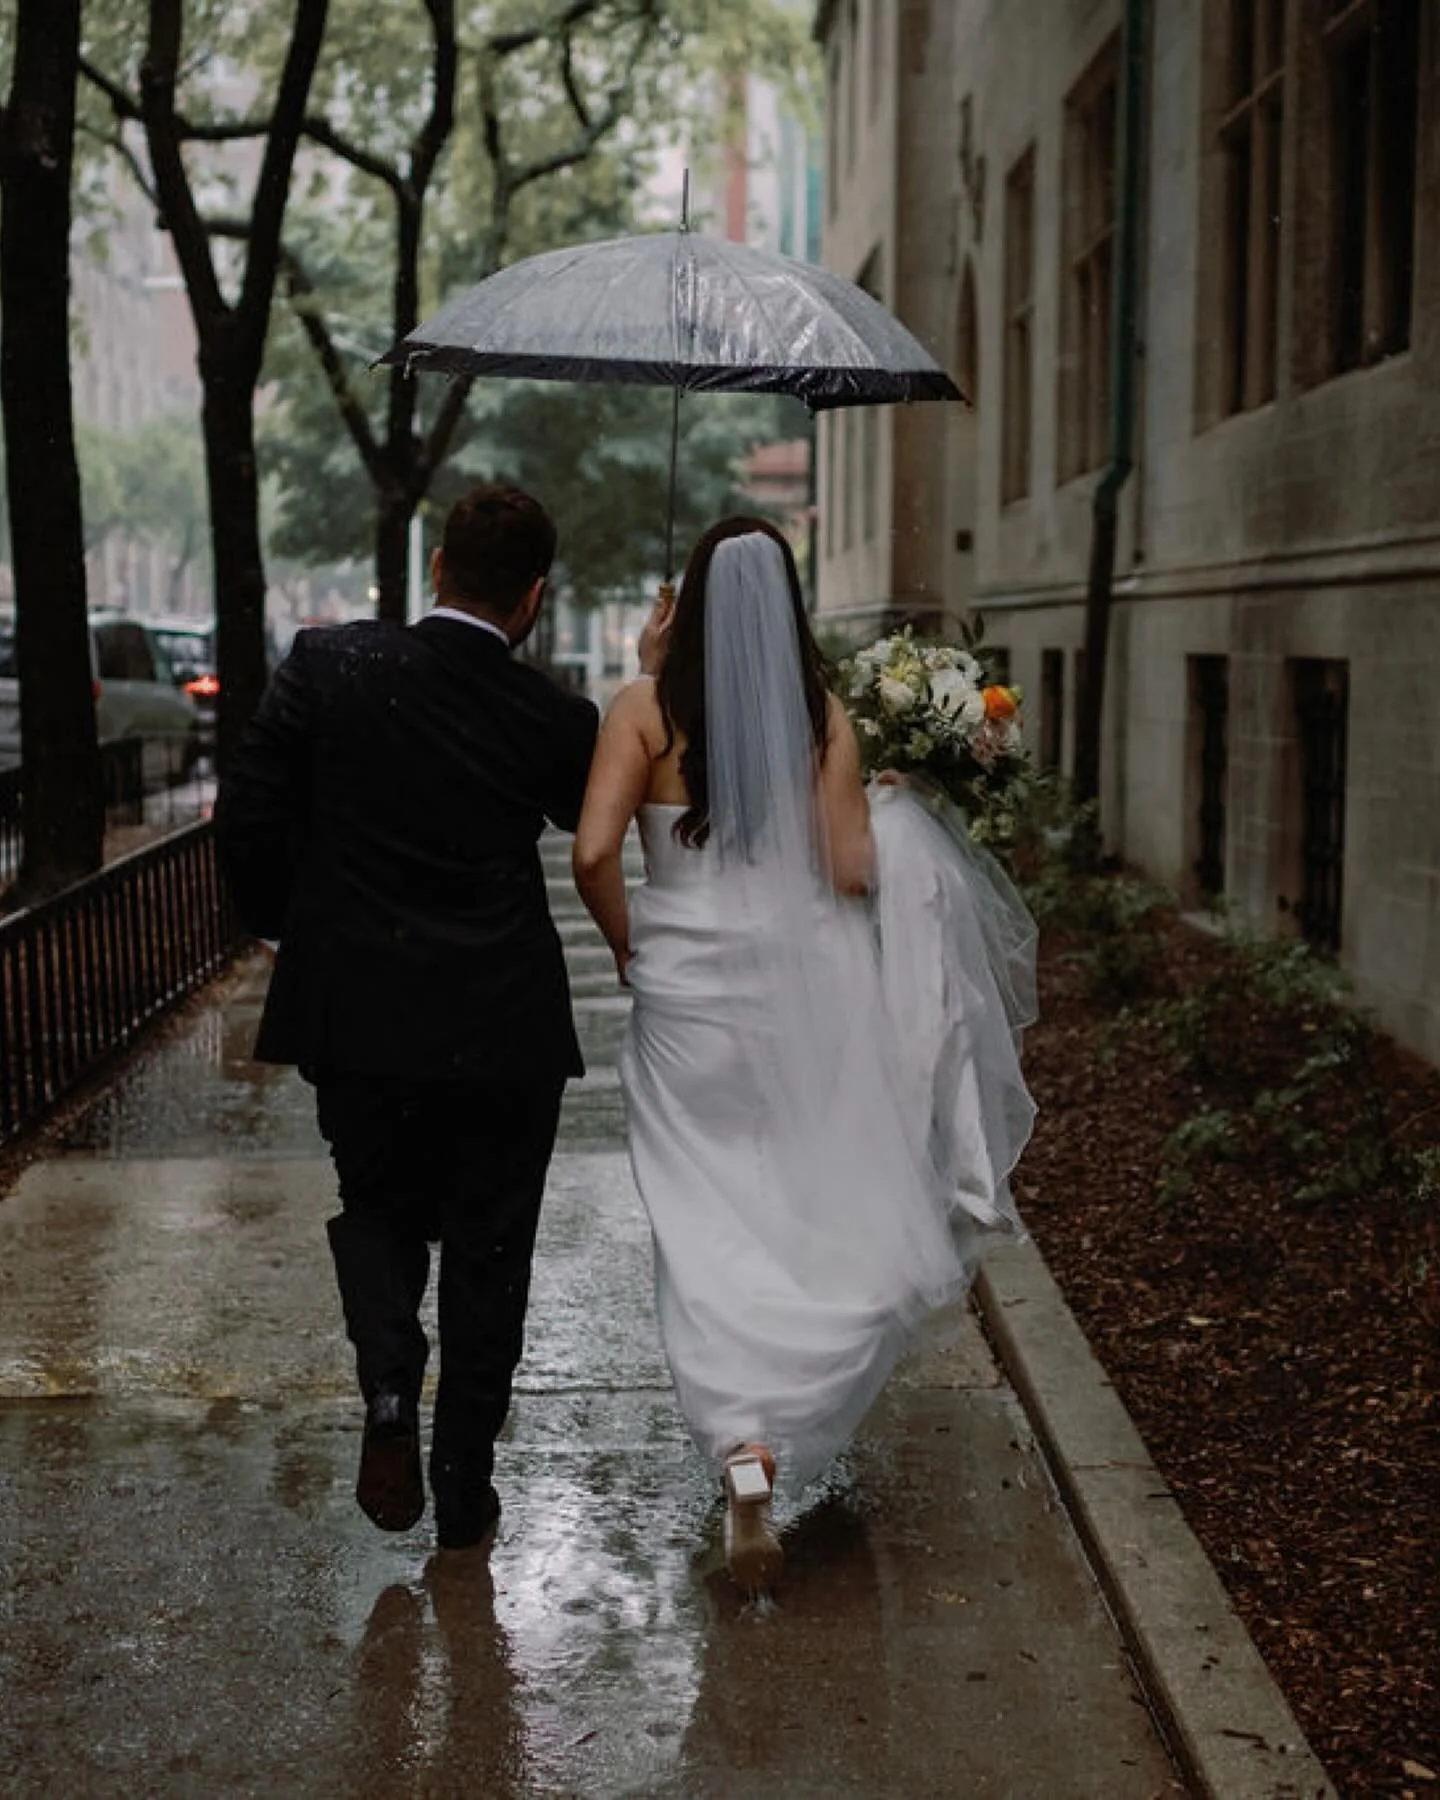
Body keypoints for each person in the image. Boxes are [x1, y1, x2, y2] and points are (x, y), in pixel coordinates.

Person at [573, 518, 1036, 1592]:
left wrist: (629, 941)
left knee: (704, 1219)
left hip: (686, 999)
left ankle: (739, 1443)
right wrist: (901, 811)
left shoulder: (640, 713)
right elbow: (847, 869)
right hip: (801, 995)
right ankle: (776, 1428)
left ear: (684, 602)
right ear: (785, 606)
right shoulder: (821, 716)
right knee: (802, 1208)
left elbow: (595, 849)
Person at [216, 483, 598, 1554]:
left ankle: (389, 1386)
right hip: (503, 1023)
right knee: (490, 1247)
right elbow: (594, 818)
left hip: (362, 1012)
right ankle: (464, 1489)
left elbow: (247, 807)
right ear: (533, 598)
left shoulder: (330, 666)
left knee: (377, 1205)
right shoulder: (552, 718)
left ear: (435, 568)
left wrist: (287, 933)